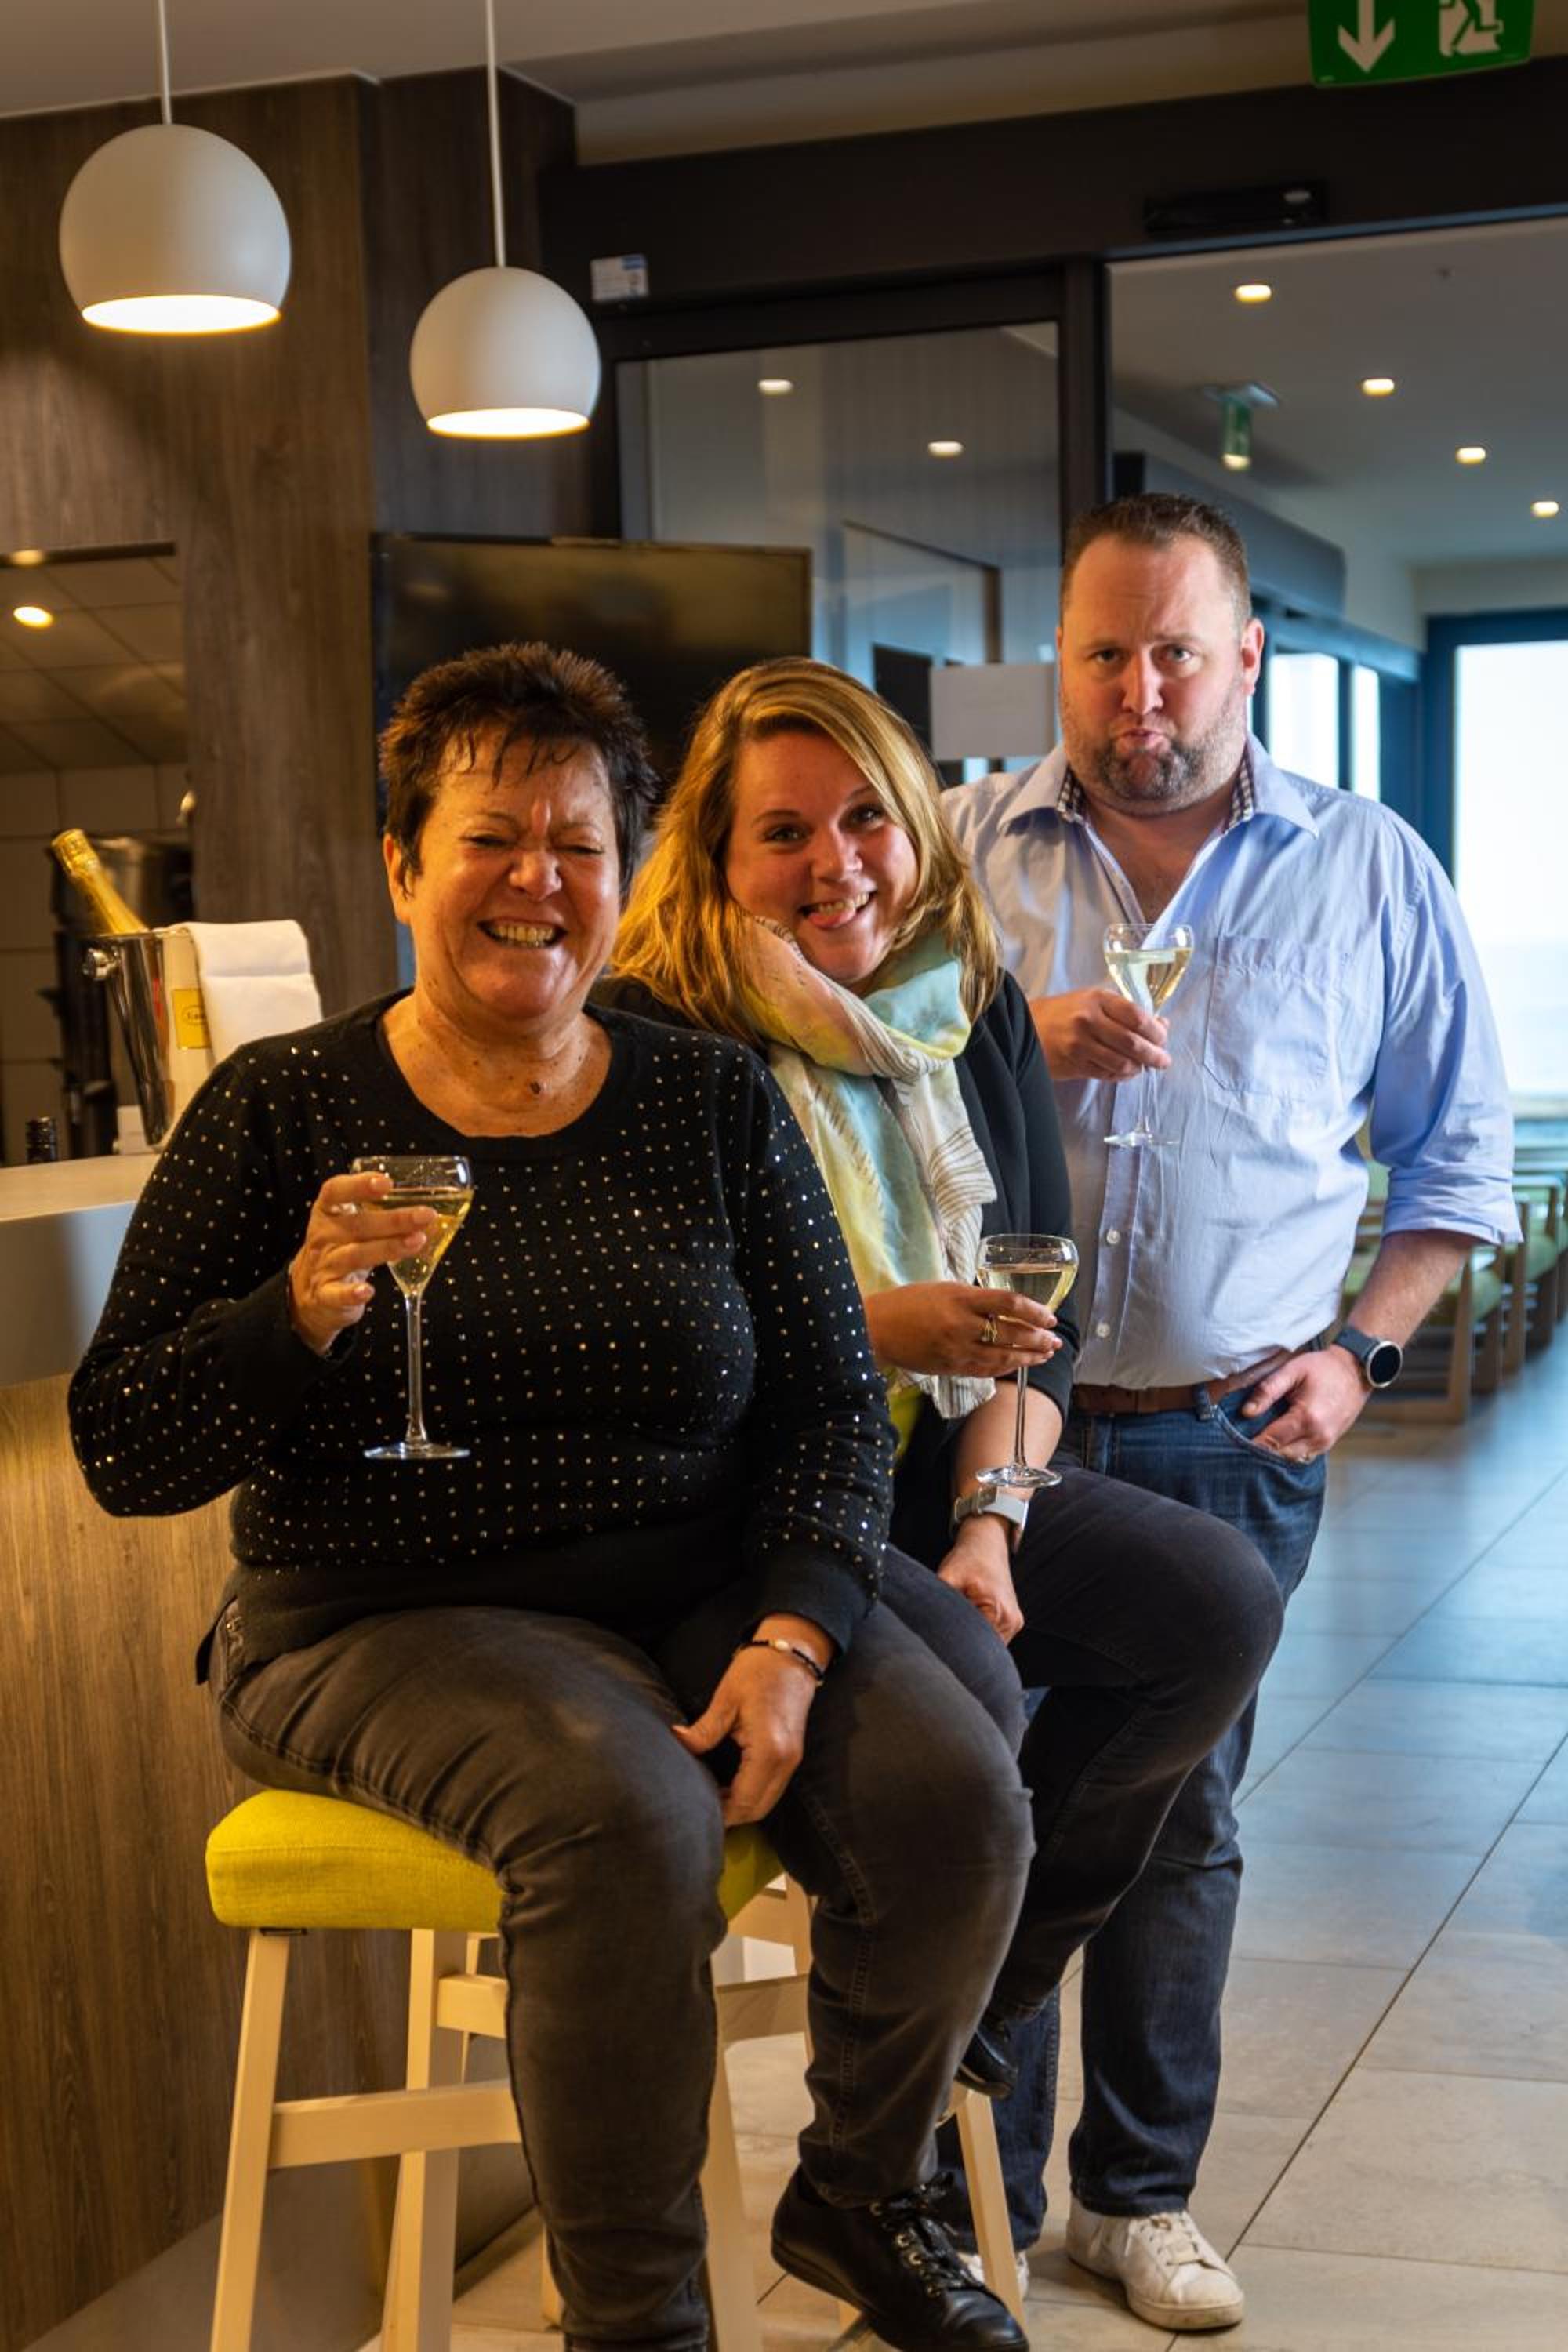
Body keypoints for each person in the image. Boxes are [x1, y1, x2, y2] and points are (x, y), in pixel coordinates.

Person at [69, 641, 1041, 2352]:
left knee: (957, 1797)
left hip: (691, 1584)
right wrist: (290, 1317)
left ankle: (857, 2189)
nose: (536, 880)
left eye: (577, 844)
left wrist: (795, 1633)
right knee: (627, 1814)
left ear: (624, 873)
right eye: (489, 840)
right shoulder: (279, 1108)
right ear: (403, 866)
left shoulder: (707, 1098)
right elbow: (123, 1448)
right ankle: (637, 2324)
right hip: (377, 1613)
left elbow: (828, 1404)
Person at [608, 655, 1285, 2288]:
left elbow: (1032, 1314)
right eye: (783, 833)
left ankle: (984, 1991)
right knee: (971, 1722)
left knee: (1216, 1601)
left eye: (867, 820)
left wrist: (993, 1519)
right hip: (752, 1511)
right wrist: (877, 1324)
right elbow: (658, 1338)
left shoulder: (966, 997)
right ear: (712, 854)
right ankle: (884, 2143)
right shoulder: (652, 1029)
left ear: (918, 828)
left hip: (944, 1476)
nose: (835, 864)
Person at [946, 491, 1519, 2332]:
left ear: (1247, 656)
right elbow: (840, 1082)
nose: (1138, 690)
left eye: (1176, 652)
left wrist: (1361, 1351)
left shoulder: (1366, 867)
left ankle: (1132, 2201)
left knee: (1175, 1821)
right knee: (983, 1806)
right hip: (989, 1422)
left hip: (1226, 1434)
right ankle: (968, 2205)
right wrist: (1002, 1038)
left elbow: (1456, 1160)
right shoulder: (955, 851)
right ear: (1059, 660)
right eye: (1103, 653)